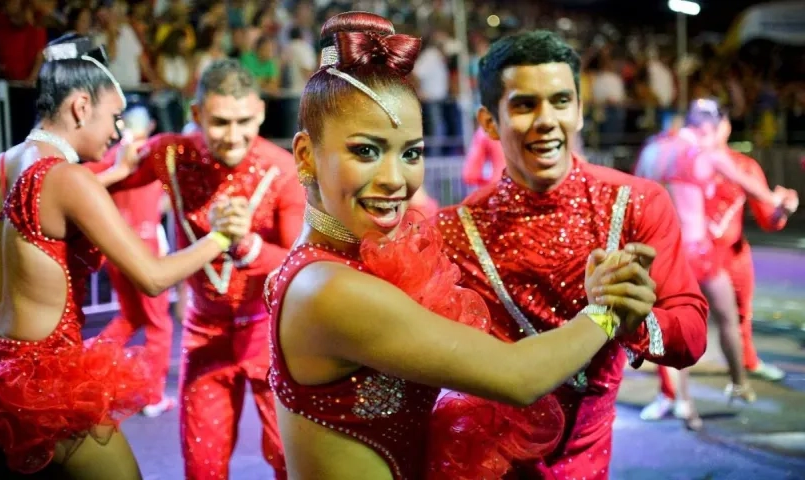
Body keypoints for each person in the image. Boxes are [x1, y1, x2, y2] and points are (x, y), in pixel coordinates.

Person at [265, 13, 656, 480]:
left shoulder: (346, 264)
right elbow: (517, 376)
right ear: (306, 155)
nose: (395, 180)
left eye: (410, 153)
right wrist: (607, 310)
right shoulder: (329, 290)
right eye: (365, 151)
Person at [433, 31, 710, 479]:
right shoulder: (452, 230)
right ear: (488, 122)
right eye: (525, 105)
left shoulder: (637, 203)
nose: (546, 120)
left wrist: (638, 321)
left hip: (588, 461)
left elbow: (692, 334)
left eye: (561, 101)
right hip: (483, 464)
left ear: (579, 111)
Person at [0, 34, 240, 479]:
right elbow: (152, 277)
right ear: (79, 107)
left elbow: (37, 216)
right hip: (46, 382)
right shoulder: (69, 179)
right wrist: (221, 237)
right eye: (113, 117)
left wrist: (111, 175)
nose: (116, 131)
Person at [94, 59, 302, 479]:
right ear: (196, 115)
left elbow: (299, 263)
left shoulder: (283, 169)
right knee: (202, 465)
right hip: (204, 334)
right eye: (220, 121)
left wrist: (248, 245)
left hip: (270, 333)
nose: (234, 135)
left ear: (261, 112)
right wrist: (113, 162)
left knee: (288, 459)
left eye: (245, 120)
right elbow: (89, 183)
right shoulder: (171, 154)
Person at [639, 113, 798, 427]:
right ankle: (734, 384)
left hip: (674, 254)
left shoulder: (654, 152)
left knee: (679, 329)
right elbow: (747, 184)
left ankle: (687, 403)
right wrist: (777, 199)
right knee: (720, 320)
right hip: (698, 253)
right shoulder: (704, 153)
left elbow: (638, 197)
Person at [97, 104, 177, 418]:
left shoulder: (110, 156)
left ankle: (91, 371)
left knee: (130, 318)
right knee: (159, 325)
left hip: (116, 251)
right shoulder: (153, 155)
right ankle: (153, 396)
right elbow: (169, 201)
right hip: (145, 251)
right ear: (152, 124)